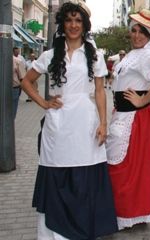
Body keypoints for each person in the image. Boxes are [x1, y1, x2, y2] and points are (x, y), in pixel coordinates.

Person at [20, 1, 118, 238]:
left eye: (78, 21)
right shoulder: (50, 54)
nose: (73, 25)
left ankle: (82, 227)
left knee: (85, 170)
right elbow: (26, 81)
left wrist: (103, 123)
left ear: (84, 26)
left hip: (85, 120)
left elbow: (99, 92)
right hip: (58, 122)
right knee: (57, 168)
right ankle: (55, 233)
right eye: (69, 20)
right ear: (63, 24)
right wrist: (43, 103)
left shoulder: (94, 55)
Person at [105, 9, 150, 230]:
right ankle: (121, 211)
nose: (137, 35)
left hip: (136, 119)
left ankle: (128, 213)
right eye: (134, 30)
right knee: (121, 165)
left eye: (142, 32)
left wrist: (142, 101)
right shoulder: (133, 54)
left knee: (126, 167)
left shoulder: (149, 55)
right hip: (124, 116)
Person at [12, 49, 26, 118]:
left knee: (12, 111)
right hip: (14, 89)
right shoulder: (17, 61)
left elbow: (22, 78)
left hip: (13, 89)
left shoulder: (17, 61)